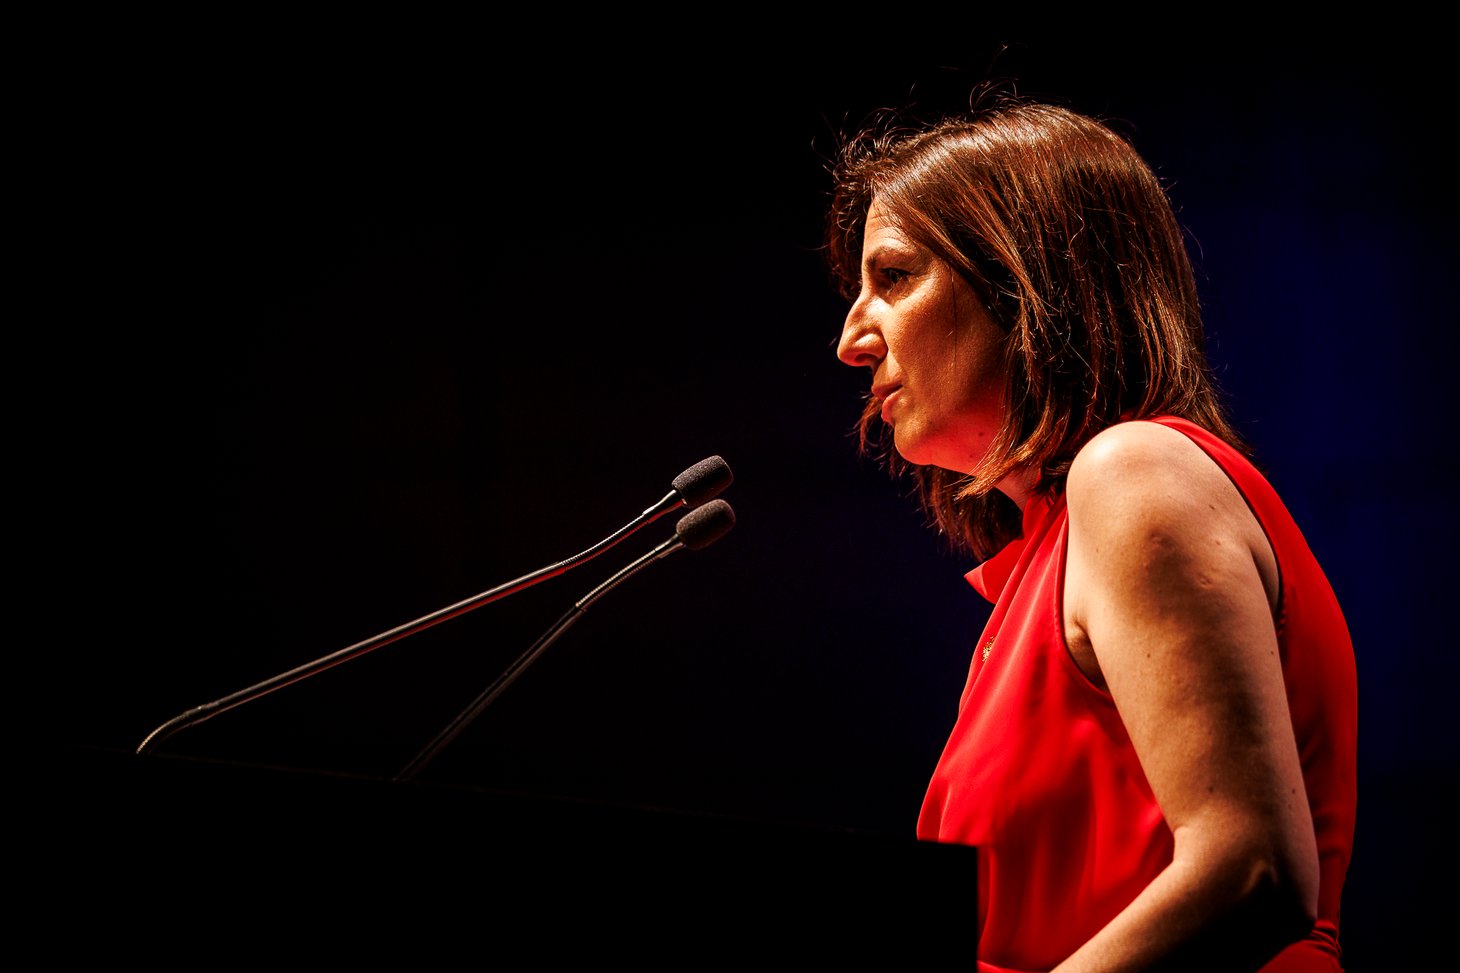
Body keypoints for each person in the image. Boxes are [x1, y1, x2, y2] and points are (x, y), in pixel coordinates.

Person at [825, 95, 1358, 972]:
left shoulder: (1133, 471)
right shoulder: (1042, 558)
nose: (852, 339)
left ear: (1023, 277)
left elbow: (1251, 866)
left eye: (893, 277)